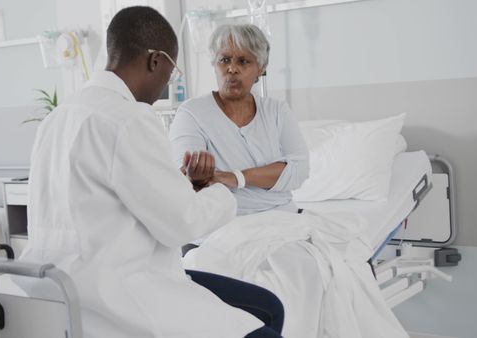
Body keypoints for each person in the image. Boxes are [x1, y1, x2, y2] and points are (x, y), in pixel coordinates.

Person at [19, 7, 284, 338]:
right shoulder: (129, 118)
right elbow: (182, 224)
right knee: (265, 324)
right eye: (170, 73)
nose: (165, 86)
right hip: (118, 295)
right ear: (155, 60)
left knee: (268, 306)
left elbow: (122, 194)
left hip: (58, 289)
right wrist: (220, 188)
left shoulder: (58, 117)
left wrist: (188, 185)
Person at [169, 24, 309, 216]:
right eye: (224, 60)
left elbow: (299, 171)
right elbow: (184, 176)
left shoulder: (277, 111)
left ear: (261, 68)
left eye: (243, 61)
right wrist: (196, 178)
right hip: (222, 222)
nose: (232, 69)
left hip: (282, 216)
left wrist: (234, 177)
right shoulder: (191, 113)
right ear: (215, 63)